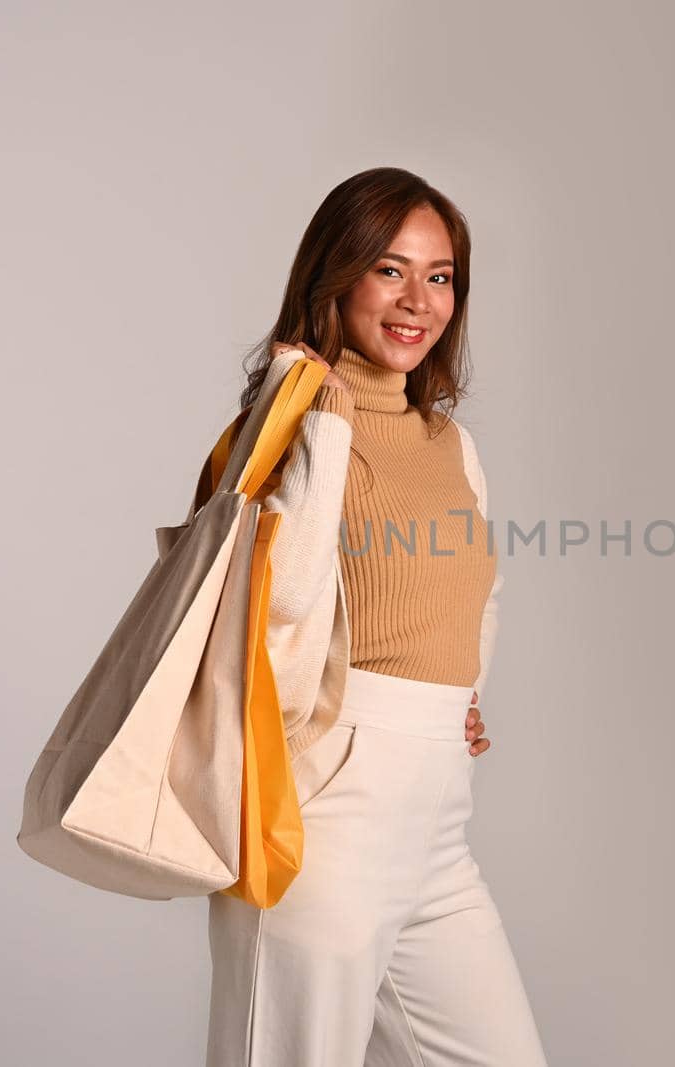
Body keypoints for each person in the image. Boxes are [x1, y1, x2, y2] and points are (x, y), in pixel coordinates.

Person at [203, 167, 549, 1067]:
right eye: (390, 270)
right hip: (324, 800)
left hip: (438, 818)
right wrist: (307, 404)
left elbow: (477, 588)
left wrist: (462, 689)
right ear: (337, 274)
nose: (417, 301)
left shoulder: (452, 444)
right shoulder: (291, 425)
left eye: (439, 277)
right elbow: (267, 609)